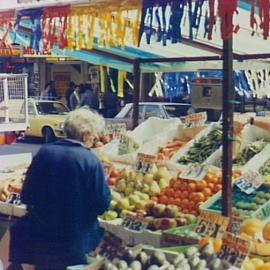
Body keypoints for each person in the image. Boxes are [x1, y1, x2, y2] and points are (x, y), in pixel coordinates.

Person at [8, 107, 111, 270]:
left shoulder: (45, 153)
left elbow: (27, 195)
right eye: (93, 136)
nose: (93, 140)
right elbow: (102, 204)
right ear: (85, 135)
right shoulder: (91, 160)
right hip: (76, 243)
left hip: (43, 240)